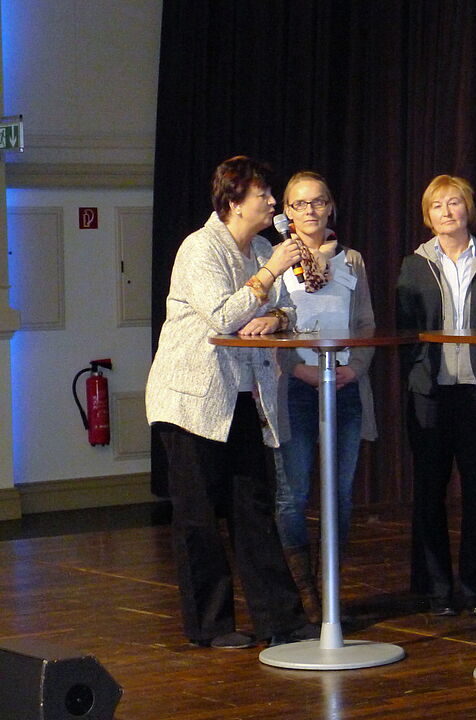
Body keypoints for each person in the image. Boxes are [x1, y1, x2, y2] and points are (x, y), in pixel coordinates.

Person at [146, 156, 316, 649]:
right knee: (198, 517)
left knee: (253, 507)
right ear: (234, 202)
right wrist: (268, 273)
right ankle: (211, 625)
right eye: (263, 194)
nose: (273, 202)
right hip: (190, 401)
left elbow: (286, 308)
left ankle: (282, 621)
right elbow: (222, 315)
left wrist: (276, 318)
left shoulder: (261, 247)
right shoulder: (200, 248)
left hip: (243, 397)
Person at [396, 174, 476, 617]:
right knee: (429, 489)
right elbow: (404, 329)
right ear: (428, 216)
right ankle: (436, 589)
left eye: (454, 202)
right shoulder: (414, 264)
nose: (447, 212)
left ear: (468, 209)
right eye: (437, 205)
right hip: (430, 392)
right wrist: (417, 373)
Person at [273, 171, 376, 623]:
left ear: (330, 207)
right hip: (295, 386)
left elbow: (366, 324)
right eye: (299, 203)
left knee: (340, 495)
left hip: (346, 386)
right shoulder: (275, 259)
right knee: (293, 496)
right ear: (286, 212)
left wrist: (356, 368)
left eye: (317, 202)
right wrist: (299, 369)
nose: (310, 210)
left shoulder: (352, 259)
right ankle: (304, 596)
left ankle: (331, 594)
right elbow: (267, 323)